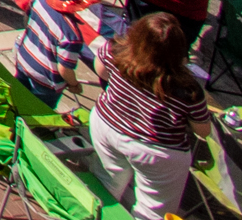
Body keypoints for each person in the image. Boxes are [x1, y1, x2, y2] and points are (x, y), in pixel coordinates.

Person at [86, 11, 211, 217]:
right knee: (153, 211)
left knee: (105, 185)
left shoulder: (114, 50)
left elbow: (101, 71)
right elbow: (203, 131)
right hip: (157, 152)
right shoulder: (187, 89)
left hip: (106, 126)